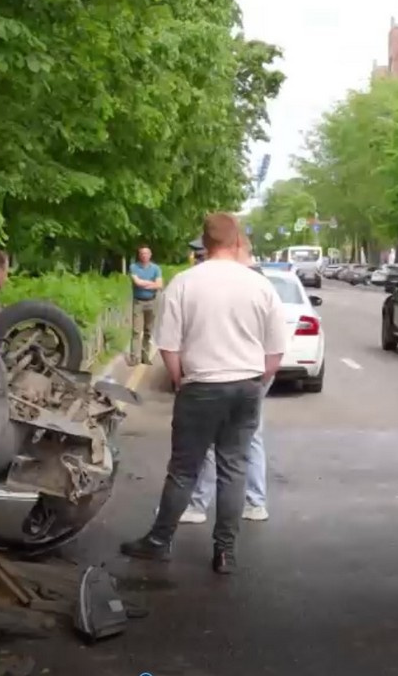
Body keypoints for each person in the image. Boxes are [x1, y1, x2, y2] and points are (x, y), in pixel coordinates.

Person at [119, 213, 289, 575]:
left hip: (200, 386)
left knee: (183, 470)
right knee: (233, 468)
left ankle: (160, 542)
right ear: (237, 240)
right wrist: (256, 382)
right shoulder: (259, 285)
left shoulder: (184, 283)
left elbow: (167, 347)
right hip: (246, 387)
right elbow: (275, 353)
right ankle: (225, 552)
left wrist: (182, 381)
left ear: (205, 243)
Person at [181, 237, 271, 524]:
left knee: (211, 440)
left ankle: (197, 505)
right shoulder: (256, 279)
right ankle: (255, 502)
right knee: (250, 438)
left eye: (201, 254)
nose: (199, 259)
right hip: (252, 372)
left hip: (228, 372)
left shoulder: (232, 279)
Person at [128, 245, 163, 366]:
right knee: (136, 331)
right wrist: (151, 283)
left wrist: (145, 284)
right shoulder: (133, 267)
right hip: (139, 301)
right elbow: (137, 283)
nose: (144, 256)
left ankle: (145, 355)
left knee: (148, 330)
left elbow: (159, 285)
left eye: (146, 253)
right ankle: (134, 357)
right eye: (142, 253)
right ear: (139, 255)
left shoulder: (156, 268)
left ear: (150, 255)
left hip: (151, 302)